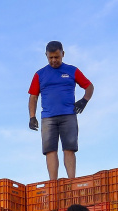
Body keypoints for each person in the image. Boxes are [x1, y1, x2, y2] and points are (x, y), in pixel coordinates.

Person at [28, 40, 95, 180]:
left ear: (63, 54)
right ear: (46, 55)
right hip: (48, 118)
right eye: (51, 57)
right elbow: (33, 97)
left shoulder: (72, 70)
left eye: (57, 57)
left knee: (69, 148)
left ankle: (71, 181)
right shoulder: (40, 74)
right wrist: (32, 117)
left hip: (68, 115)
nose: (54, 60)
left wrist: (84, 100)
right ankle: (53, 183)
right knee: (50, 150)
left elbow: (89, 86)